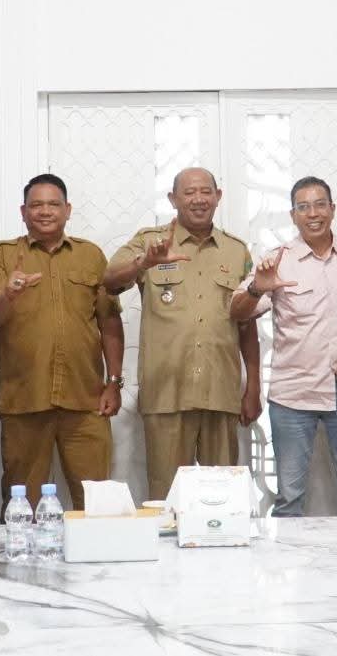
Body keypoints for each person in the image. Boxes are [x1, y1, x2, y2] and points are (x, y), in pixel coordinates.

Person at [103, 167, 259, 500]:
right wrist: (143, 264)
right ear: (173, 199)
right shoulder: (150, 241)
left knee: (222, 498)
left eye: (206, 191)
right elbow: (110, 280)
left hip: (220, 391)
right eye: (189, 192)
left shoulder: (237, 251)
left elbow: (246, 324)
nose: (198, 199)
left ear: (218, 196)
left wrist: (254, 388)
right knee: (166, 498)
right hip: (166, 393)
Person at [230, 176, 337, 517]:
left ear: (332, 209)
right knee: (289, 500)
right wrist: (257, 289)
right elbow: (236, 312)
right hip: (293, 392)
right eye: (304, 207)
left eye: (320, 205)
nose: (313, 214)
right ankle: (285, 553)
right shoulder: (277, 259)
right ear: (293, 215)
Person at [0, 174, 122, 510]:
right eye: (36, 205)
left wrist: (114, 382)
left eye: (53, 204)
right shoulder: (2, 256)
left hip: (86, 400)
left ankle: (94, 550)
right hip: (25, 401)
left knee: (96, 504)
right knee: (22, 504)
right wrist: (8, 293)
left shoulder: (90, 255)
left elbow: (109, 322)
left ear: (67, 209)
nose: (45, 211)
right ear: (23, 212)